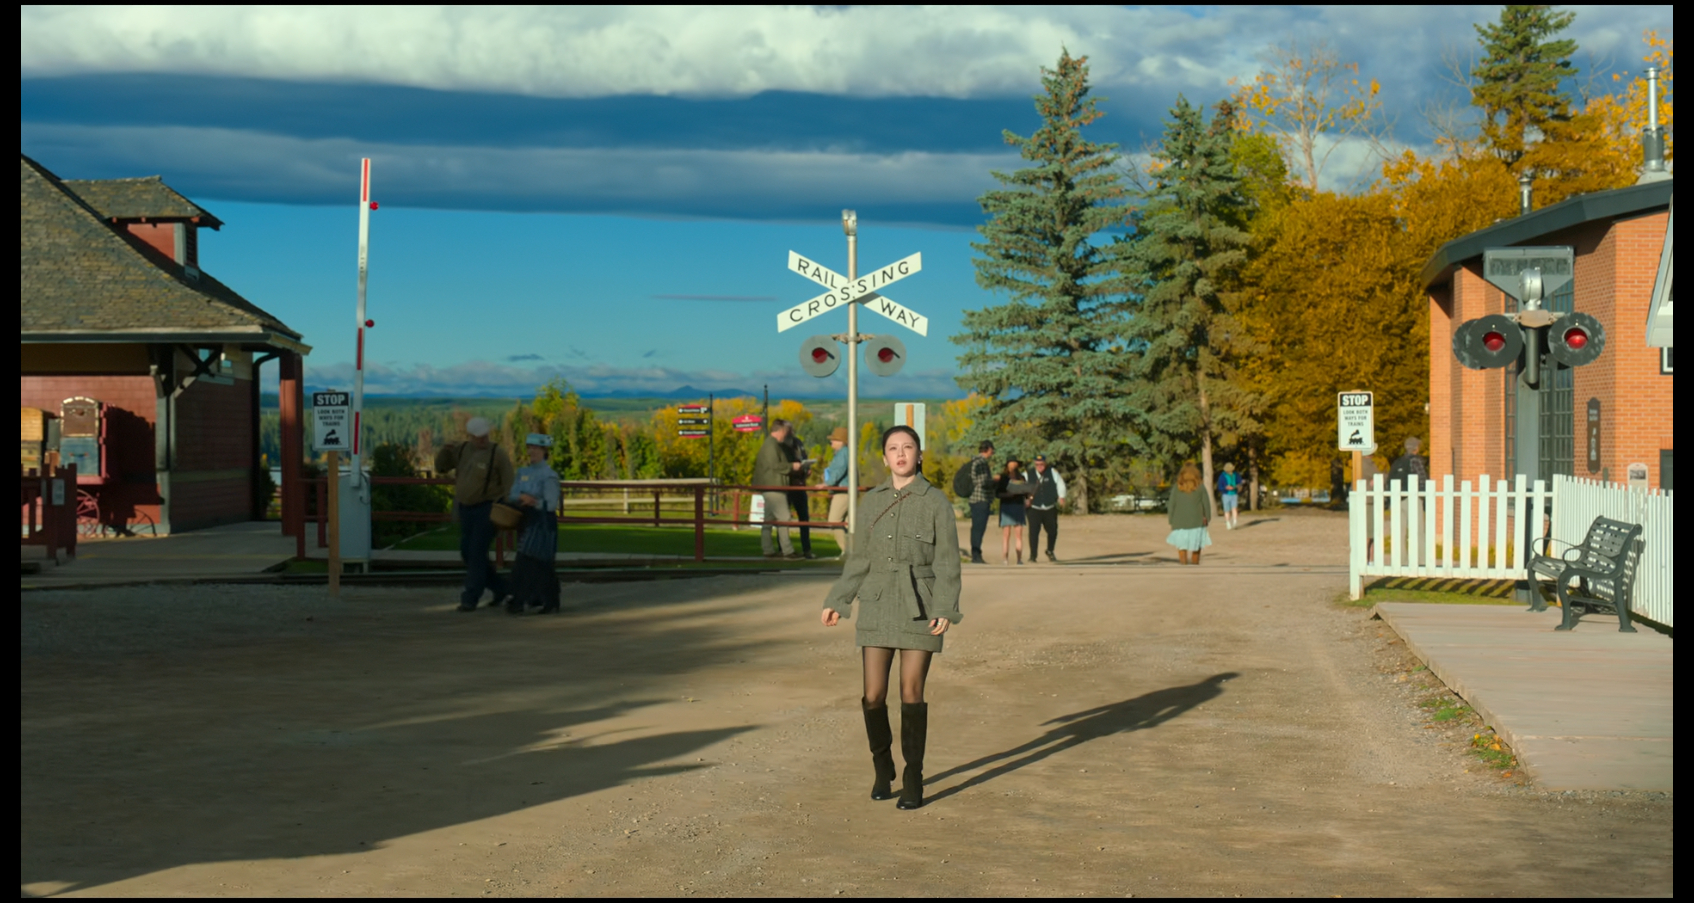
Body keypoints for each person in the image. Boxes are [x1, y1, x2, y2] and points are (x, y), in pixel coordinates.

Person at [821, 425, 962, 811]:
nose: (901, 454)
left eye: (908, 447)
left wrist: (945, 607)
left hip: (920, 605)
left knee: (911, 692)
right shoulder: (872, 501)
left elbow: (948, 562)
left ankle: (913, 776)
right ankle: (882, 766)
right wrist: (838, 599)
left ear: (919, 454)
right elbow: (859, 559)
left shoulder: (936, 502)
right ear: (884, 458)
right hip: (878, 601)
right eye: (893, 448)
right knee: (873, 694)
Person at [434, 416, 515, 611]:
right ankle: (502, 588)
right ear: (470, 436)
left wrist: (509, 507)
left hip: (487, 508)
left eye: (485, 436)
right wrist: (445, 451)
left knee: (476, 552)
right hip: (466, 508)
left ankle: (470, 597)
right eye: (479, 437)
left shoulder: (497, 453)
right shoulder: (462, 449)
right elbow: (441, 467)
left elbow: (509, 482)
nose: (483, 440)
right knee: (467, 552)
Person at [506, 433, 561, 615]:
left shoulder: (549, 476)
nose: (532, 451)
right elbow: (512, 494)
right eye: (530, 448)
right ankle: (549, 600)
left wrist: (533, 501)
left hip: (543, 521)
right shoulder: (523, 472)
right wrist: (521, 498)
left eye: (536, 448)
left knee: (527, 560)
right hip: (527, 519)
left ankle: (518, 599)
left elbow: (551, 504)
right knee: (540, 563)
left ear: (544, 451)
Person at [754, 419, 806, 559]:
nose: (788, 434)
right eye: (786, 431)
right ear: (781, 431)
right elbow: (775, 465)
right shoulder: (772, 446)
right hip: (774, 486)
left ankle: (768, 550)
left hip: (770, 485)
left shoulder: (772, 444)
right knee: (784, 518)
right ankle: (787, 551)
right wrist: (792, 466)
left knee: (769, 520)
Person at [1166, 462, 1212, 566]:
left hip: (1179, 522)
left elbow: (1171, 504)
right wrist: (1207, 518)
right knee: (1196, 546)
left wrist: (1171, 520)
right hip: (1197, 521)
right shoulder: (1200, 487)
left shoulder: (1177, 487)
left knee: (1181, 547)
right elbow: (1206, 504)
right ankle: (1195, 565)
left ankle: (1183, 565)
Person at [1026, 454, 1067, 562]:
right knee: (1033, 532)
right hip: (1034, 507)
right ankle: (1033, 556)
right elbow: (1020, 487)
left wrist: (1061, 496)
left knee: (1052, 530)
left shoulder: (1052, 472)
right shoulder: (1028, 474)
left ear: (1045, 464)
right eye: (1037, 464)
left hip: (1050, 507)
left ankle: (1050, 550)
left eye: (1042, 464)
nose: (1040, 466)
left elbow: (1060, 484)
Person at [820, 427, 851, 559]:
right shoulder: (845, 453)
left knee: (834, 521)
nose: (831, 442)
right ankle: (854, 551)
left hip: (842, 491)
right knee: (849, 523)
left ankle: (847, 551)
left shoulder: (842, 453)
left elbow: (838, 470)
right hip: (846, 490)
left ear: (841, 441)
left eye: (834, 439)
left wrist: (827, 483)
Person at [786, 429, 816, 559]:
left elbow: (804, 457)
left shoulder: (798, 443)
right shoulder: (782, 445)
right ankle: (784, 549)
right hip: (788, 485)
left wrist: (806, 468)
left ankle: (806, 549)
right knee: (784, 518)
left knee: (804, 519)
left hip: (800, 485)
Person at [995, 458, 1029, 565]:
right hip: (1006, 506)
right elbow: (997, 493)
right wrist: (1008, 495)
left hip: (1018, 505)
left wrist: (1028, 496)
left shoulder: (1021, 478)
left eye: (1015, 464)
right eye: (1011, 464)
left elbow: (1026, 493)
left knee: (1019, 534)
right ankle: (1005, 558)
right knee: (1006, 534)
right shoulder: (1003, 478)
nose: (1013, 466)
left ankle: (1019, 559)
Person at [966, 441, 995, 564]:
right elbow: (982, 481)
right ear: (987, 449)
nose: (993, 453)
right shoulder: (981, 462)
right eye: (992, 450)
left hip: (974, 499)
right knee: (978, 528)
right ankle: (976, 554)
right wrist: (994, 480)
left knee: (976, 527)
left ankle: (976, 553)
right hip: (980, 498)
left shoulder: (974, 461)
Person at [1216, 462, 1241, 530]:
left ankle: (1235, 522)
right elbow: (1220, 487)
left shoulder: (1236, 474)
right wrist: (1226, 488)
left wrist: (1237, 486)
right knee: (1227, 510)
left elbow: (1239, 482)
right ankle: (1228, 523)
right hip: (1226, 495)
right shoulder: (1222, 476)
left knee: (1234, 508)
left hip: (1234, 494)